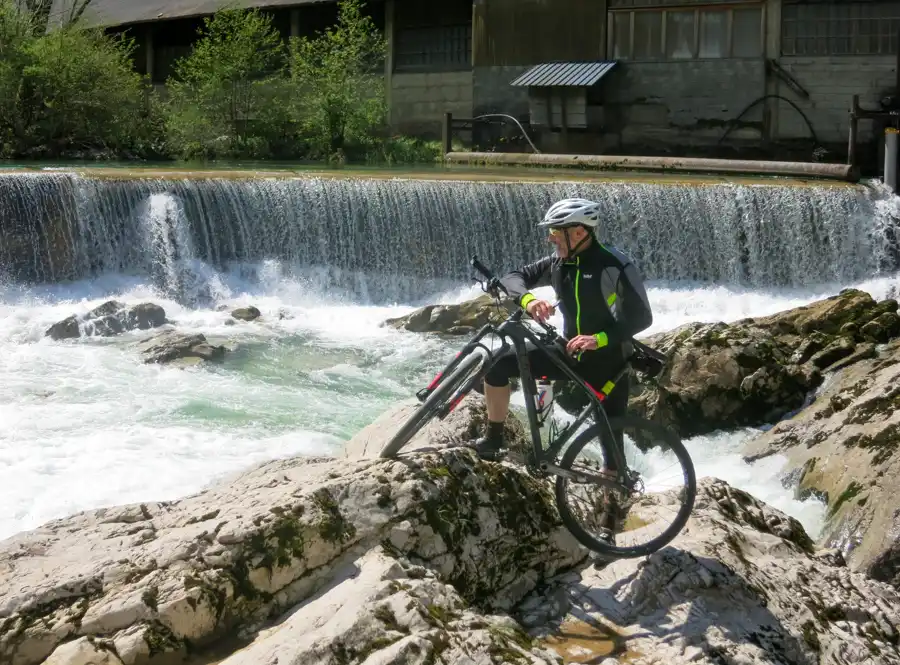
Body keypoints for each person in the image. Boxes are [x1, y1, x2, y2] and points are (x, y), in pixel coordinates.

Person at [470, 197, 655, 558]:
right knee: (498, 365)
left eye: (556, 232)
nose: (550, 239)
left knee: (610, 443)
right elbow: (514, 276)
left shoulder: (615, 263)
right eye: (551, 232)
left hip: (608, 361)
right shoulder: (559, 262)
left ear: (579, 232)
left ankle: (609, 526)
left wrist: (597, 339)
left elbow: (641, 319)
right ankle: (493, 439)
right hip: (570, 354)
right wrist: (527, 302)